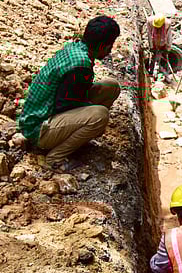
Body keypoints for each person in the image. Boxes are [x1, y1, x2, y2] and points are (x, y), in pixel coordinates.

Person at [18, 16, 121, 170]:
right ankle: (55, 157)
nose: (110, 50)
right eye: (109, 45)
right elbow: (63, 104)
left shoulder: (77, 48)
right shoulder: (80, 65)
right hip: (39, 128)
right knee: (100, 115)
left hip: (46, 114)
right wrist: (90, 111)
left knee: (111, 86)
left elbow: (71, 95)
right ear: (102, 46)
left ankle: (77, 138)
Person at [147, 14, 182, 81]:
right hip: (154, 42)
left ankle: (165, 72)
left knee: (164, 57)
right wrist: (151, 46)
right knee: (153, 57)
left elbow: (169, 36)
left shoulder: (167, 24)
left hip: (163, 43)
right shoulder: (150, 21)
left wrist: (168, 48)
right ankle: (151, 72)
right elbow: (149, 34)